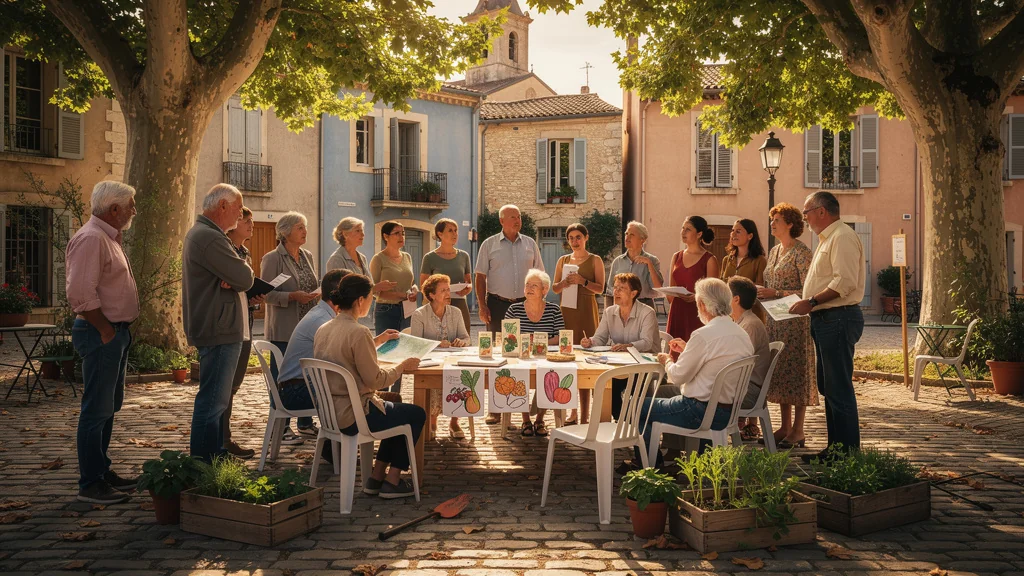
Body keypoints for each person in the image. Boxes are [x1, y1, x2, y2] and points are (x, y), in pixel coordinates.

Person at [313, 273, 424, 499]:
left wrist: (378, 340)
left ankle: (376, 476)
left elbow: (345, 353)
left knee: (395, 406)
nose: (372, 302)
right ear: (360, 300)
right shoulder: (359, 331)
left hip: (331, 412)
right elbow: (376, 380)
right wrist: (402, 367)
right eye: (371, 297)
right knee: (416, 414)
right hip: (355, 414)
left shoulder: (324, 328)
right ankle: (393, 480)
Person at [66, 181, 140, 504]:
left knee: (109, 406)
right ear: (114, 209)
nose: (134, 211)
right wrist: (106, 331)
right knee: (96, 409)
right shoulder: (92, 238)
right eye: (131, 205)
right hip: (101, 333)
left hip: (113, 333)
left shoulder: (107, 238)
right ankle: (91, 483)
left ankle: (101, 470)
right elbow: (80, 294)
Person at [275, 269, 400, 450]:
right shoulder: (323, 320)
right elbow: (347, 356)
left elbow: (345, 348)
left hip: (301, 385)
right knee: (366, 392)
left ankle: (338, 446)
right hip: (296, 391)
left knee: (382, 396)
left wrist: (378, 340)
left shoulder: (325, 316)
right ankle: (340, 446)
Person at [640, 278, 753, 467]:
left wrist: (667, 360)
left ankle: (651, 467)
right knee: (663, 394)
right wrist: (688, 350)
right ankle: (690, 461)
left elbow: (677, 376)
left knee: (635, 406)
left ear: (701, 304)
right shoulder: (741, 334)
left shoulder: (703, 335)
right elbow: (715, 362)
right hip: (728, 411)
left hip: (698, 411)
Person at [789, 191, 865, 459]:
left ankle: (846, 455)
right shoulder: (828, 238)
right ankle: (836, 451)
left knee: (838, 388)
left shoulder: (842, 236)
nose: (805, 218)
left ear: (821, 211)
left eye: (806, 212)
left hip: (838, 317)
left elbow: (844, 282)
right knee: (829, 387)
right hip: (826, 318)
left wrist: (811, 301)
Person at [183, 184, 255, 463]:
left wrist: (236, 276)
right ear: (222, 206)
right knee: (213, 401)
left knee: (217, 400)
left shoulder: (210, 235)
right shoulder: (210, 237)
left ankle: (214, 455)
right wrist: (237, 275)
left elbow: (240, 277)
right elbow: (245, 277)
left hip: (219, 326)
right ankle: (204, 461)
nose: (240, 214)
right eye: (238, 208)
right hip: (218, 328)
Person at [474, 204, 544, 424]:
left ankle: (524, 406)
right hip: (497, 305)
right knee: (498, 356)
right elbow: (480, 277)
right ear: (501, 221)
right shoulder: (489, 244)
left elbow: (540, 275)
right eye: (512, 216)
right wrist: (482, 306)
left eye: (519, 216)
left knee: (526, 353)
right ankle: (496, 409)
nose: (517, 220)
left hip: (526, 305)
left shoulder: (530, 244)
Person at [756, 203, 818, 449]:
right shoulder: (774, 252)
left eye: (777, 220)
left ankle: (798, 430)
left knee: (797, 374)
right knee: (781, 373)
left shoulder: (802, 253)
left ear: (790, 224)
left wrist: (776, 292)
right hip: (775, 321)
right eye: (772, 220)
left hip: (796, 323)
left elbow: (808, 291)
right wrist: (764, 292)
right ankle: (784, 426)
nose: (772, 224)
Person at [261, 211, 320, 442]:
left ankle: (305, 423)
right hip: (284, 330)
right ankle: (281, 427)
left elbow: (312, 283)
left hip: (307, 329)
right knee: (283, 379)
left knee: (308, 375)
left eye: (305, 227)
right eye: (300, 227)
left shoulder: (307, 256)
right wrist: (292, 296)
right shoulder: (272, 258)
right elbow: (266, 295)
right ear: (285, 232)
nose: (305, 231)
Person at [581, 273, 660, 420]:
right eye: (615, 287)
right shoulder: (609, 312)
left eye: (621, 288)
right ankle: (623, 420)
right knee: (603, 383)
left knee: (627, 387)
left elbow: (647, 342)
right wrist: (590, 342)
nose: (616, 292)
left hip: (644, 364)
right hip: (619, 364)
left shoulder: (647, 312)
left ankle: (632, 420)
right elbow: (600, 338)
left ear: (633, 293)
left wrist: (628, 346)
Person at [552, 223, 604, 425]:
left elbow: (600, 288)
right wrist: (565, 283)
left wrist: (583, 281)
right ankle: (572, 412)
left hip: (587, 311)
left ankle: (585, 416)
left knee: (585, 362)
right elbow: (555, 288)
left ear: (586, 238)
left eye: (578, 237)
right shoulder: (562, 260)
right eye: (571, 238)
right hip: (567, 311)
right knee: (568, 361)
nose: (575, 241)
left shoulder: (595, 260)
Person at [720, 218, 767, 438]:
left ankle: (752, 422)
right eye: (732, 230)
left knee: (750, 360)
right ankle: (735, 420)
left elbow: (760, 289)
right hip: (731, 314)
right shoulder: (727, 259)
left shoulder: (759, 260)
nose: (733, 234)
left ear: (750, 235)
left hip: (750, 313)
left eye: (738, 231)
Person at [223, 206, 263, 459]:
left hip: (246, 324)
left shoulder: (244, 252)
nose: (251, 225)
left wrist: (253, 298)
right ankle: (222, 441)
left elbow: (241, 288)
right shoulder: (224, 249)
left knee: (234, 386)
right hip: (229, 326)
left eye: (252, 221)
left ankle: (224, 438)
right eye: (246, 220)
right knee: (224, 388)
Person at [411, 274, 471, 439]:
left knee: (463, 376)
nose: (448, 294)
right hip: (429, 361)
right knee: (434, 378)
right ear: (431, 295)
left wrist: (461, 342)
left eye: (448, 290)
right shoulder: (419, 314)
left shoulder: (456, 312)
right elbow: (415, 343)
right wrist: (437, 344)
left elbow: (466, 338)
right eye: (443, 290)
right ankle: (432, 420)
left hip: (453, 360)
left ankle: (454, 421)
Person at [504, 269, 563, 437]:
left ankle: (539, 419)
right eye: (527, 285)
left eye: (534, 286)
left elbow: (560, 337)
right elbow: (508, 336)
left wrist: (537, 343)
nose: (529, 288)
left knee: (550, 375)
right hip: (521, 358)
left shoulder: (553, 310)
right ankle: (525, 420)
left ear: (544, 290)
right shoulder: (514, 309)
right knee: (518, 373)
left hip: (546, 358)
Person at [370, 221, 418, 392]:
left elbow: (411, 283)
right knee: (385, 352)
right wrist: (402, 295)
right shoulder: (378, 259)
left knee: (402, 352)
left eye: (403, 233)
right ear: (386, 236)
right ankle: (382, 395)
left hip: (406, 309)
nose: (401, 236)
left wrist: (414, 290)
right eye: (397, 233)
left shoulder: (407, 257)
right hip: (386, 310)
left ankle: (396, 394)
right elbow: (374, 290)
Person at [667, 216, 719, 341]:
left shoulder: (710, 260)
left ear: (699, 234)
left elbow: (713, 296)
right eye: (683, 228)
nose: (683, 232)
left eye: (688, 229)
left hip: (698, 314)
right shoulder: (676, 256)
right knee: (675, 350)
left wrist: (696, 297)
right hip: (677, 312)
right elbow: (670, 296)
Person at [420, 218, 473, 333]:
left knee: (462, 338)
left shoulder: (464, 256)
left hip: (459, 303)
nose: (455, 234)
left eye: (456, 230)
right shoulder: (429, 257)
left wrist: (467, 289)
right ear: (440, 234)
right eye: (450, 230)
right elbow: (424, 286)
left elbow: (469, 282)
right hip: (438, 305)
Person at [727, 277, 771, 412]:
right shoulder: (741, 321)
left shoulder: (750, 325)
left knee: (699, 393)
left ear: (736, 299)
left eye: (725, 294)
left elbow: (737, 363)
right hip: (741, 387)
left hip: (748, 391)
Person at [326, 217, 395, 296]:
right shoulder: (336, 259)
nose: (363, 234)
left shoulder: (362, 258)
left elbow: (369, 286)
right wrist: (375, 288)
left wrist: (380, 287)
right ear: (345, 234)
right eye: (358, 231)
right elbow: (340, 292)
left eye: (362, 230)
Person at [605, 221, 664, 309]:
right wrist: (608, 312)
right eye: (626, 234)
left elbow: (658, 287)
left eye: (632, 235)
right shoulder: (617, 261)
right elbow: (609, 292)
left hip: (644, 306)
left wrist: (649, 264)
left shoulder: (652, 260)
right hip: (621, 308)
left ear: (642, 239)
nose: (627, 237)